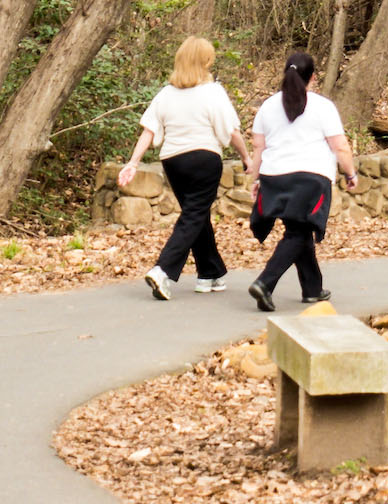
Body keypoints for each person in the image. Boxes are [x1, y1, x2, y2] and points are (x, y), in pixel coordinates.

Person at [121, 36, 252, 301]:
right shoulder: (213, 92)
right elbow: (231, 131)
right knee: (193, 216)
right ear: (206, 61)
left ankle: (209, 273)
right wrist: (247, 157)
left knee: (197, 214)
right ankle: (162, 270)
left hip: (173, 161)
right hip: (204, 158)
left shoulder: (166, 93)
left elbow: (149, 129)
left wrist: (133, 162)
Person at [245, 52, 358, 312]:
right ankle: (265, 282)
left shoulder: (267, 106)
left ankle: (312, 289)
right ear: (314, 78)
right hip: (310, 179)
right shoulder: (322, 106)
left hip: (275, 178)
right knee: (298, 232)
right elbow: (340, 146)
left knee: (299, 230)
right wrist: (350, 174)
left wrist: (257, 179)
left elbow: (258, 146)